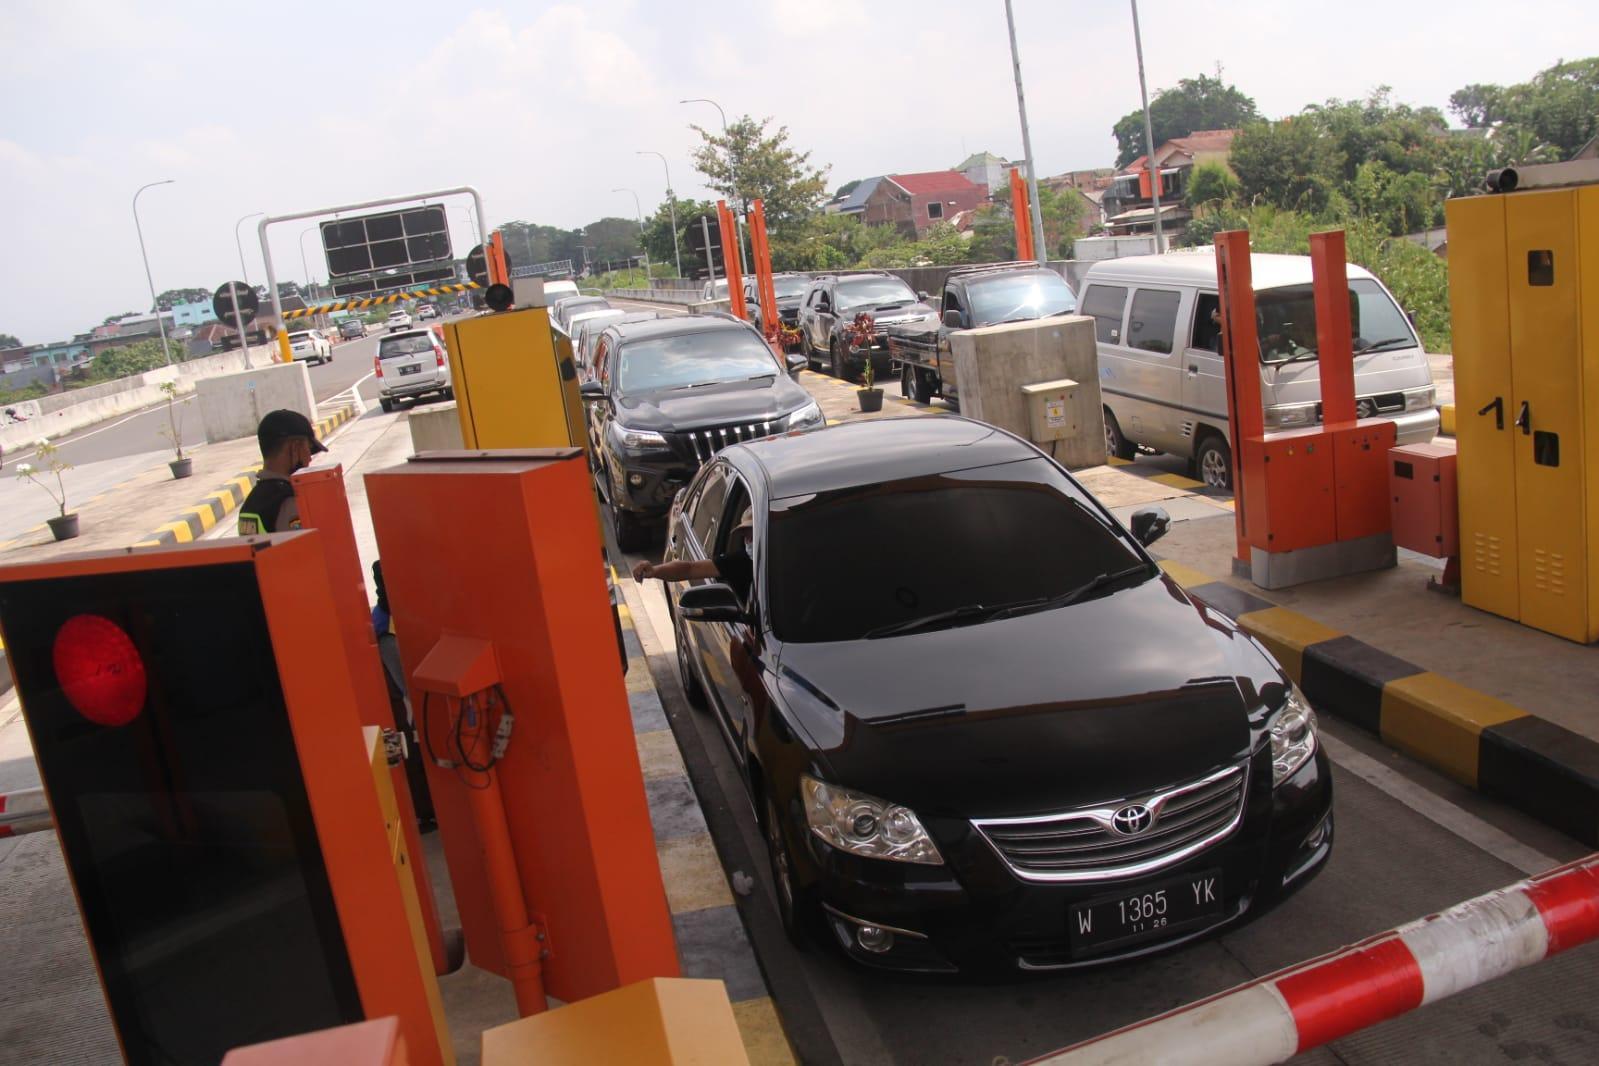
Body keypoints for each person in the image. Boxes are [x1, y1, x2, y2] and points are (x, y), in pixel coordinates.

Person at [632, 506, 754, 603]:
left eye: (753, 533)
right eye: (746, 535)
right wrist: (654, 571)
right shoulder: (740, 562)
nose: (749, 540)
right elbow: (689, 569)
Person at [237, 408, 325, 534]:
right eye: (308, 449)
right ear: (295, 447)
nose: (309, 458)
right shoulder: (289, 503)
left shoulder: (250, 503)